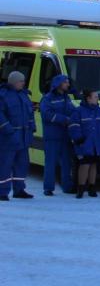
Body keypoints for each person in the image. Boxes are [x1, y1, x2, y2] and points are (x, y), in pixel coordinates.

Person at [68, 89, 100, 199]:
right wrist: (78, 138)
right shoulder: (78, 111)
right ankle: (81, 188)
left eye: (97, 96)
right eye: (95, 96)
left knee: (93, 165)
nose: (98, 99)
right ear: (88, 98)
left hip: (97, 145)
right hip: (84, 144)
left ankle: (92, 188)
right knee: (84, 165)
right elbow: (74, 126)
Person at [0, 71, 36, 201]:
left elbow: (30, 113)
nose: (23, 83)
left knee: (22, 164)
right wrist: (8, 130)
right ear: (14, 82)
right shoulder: (3, 96)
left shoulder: (24, 95)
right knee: (5, 164)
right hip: (8, 137)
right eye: (21, 81)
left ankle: (19, 190)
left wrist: (32, 127)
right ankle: (2, 192)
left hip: (23, 135)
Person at [40, 74, 77, 196]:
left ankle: (67, 186)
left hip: (65, 135)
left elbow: (72, 111)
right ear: (59, 84)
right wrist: (64, 119)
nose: (68, 84)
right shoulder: (47, 98)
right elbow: (46, 115)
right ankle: (48, 188)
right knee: (51, 162)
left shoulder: (67, 98)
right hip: (52, 136)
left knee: (66, 162)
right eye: (66, 82)